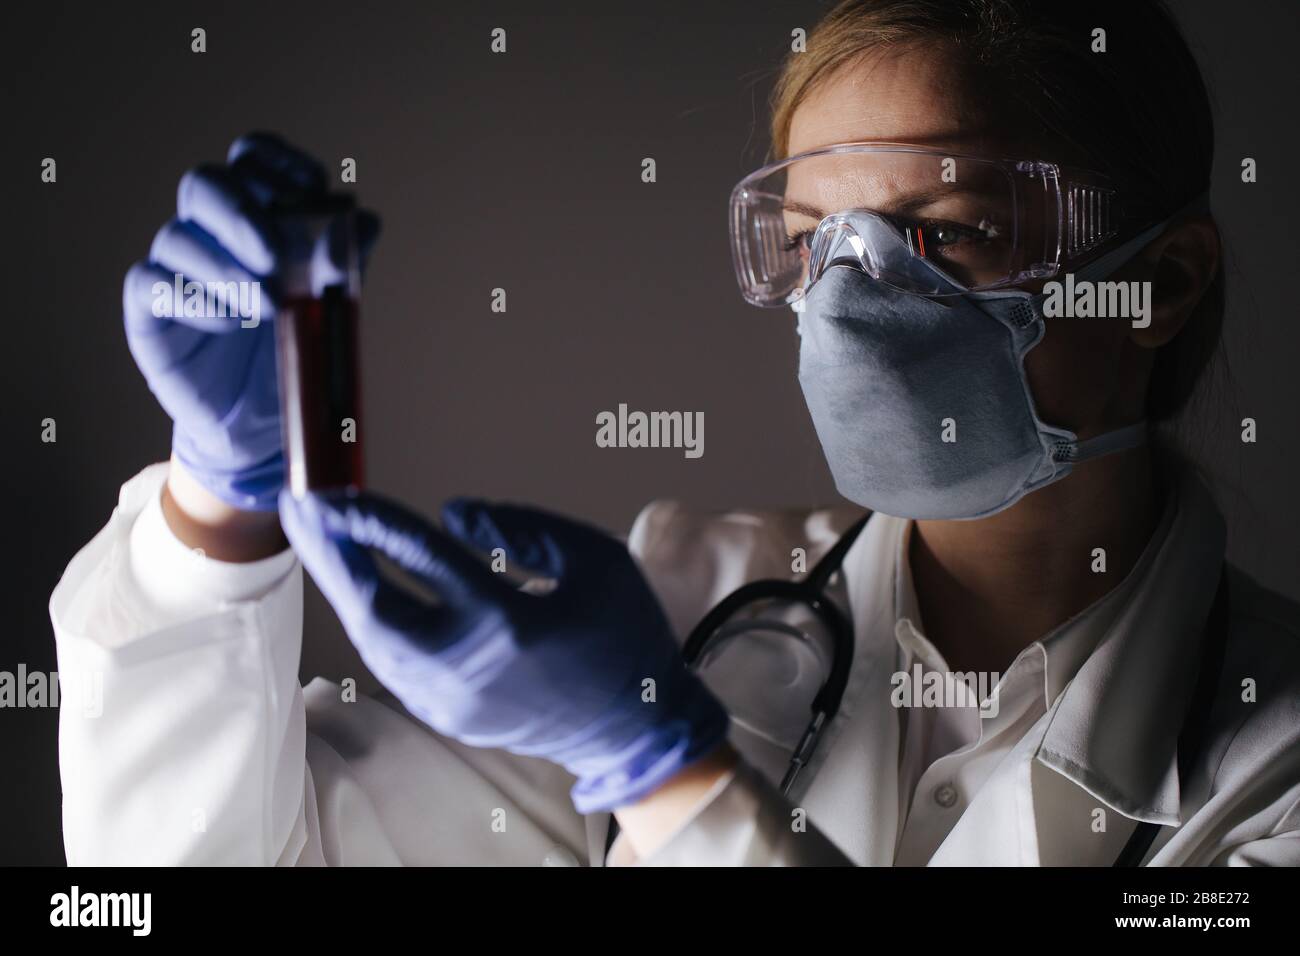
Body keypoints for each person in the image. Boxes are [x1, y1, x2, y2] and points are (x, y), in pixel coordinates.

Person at [52, 0, 1300, 866]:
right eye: (813, 240)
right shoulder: (684, 606)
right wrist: (220, 508)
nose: (853, 302)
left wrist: (664, 771)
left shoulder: (1273, 753)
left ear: (1161, 282)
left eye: (946, 231)